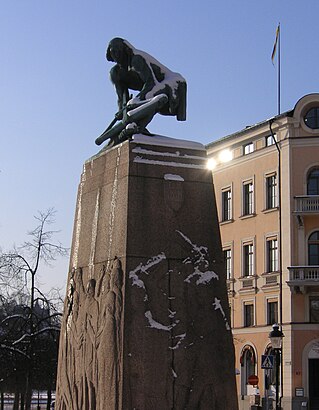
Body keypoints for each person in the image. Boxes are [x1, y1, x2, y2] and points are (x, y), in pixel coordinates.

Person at [96, 38, 187, 147]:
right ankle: (128, 129)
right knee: (139, 105)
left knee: (151, 98)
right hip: (150, 89)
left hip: (171, 83)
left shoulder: (137, 60)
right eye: (112, 53)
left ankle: (137, 128)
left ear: (125, 50)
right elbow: (122, 97)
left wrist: (136, 100)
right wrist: (122, 111)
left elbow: (151, 83)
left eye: (118, 51)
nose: (116, 56)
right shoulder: (115, 73)